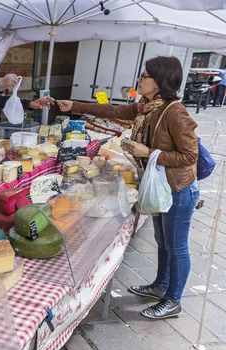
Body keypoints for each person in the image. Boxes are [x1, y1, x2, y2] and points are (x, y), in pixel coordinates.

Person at [58, 56, 199, 320]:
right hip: (160, 187)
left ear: (160, 81)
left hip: (179, 190)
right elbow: (113, 111)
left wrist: (150, 151)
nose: (139, 79)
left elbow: (190, 156)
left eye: (144, 76)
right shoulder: (147, 107)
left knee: (176, 247)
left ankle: (173, 300)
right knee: (162, 241)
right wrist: (74, 105)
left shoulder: (175, 112)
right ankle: (160, 285)